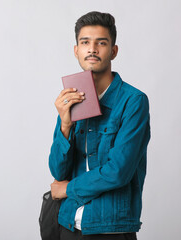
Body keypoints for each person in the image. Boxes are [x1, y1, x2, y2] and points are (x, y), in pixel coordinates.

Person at [49, 11, 150, 240]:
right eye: (85, 42)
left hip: (110, 227)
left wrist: (67, 189)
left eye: (101, 43)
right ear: (76, 50)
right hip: (67, 224)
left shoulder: (133, 101)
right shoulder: (73, 97)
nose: (92, 49)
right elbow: (58, 171)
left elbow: (118, 172)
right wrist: (65, 125)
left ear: (113, 51)